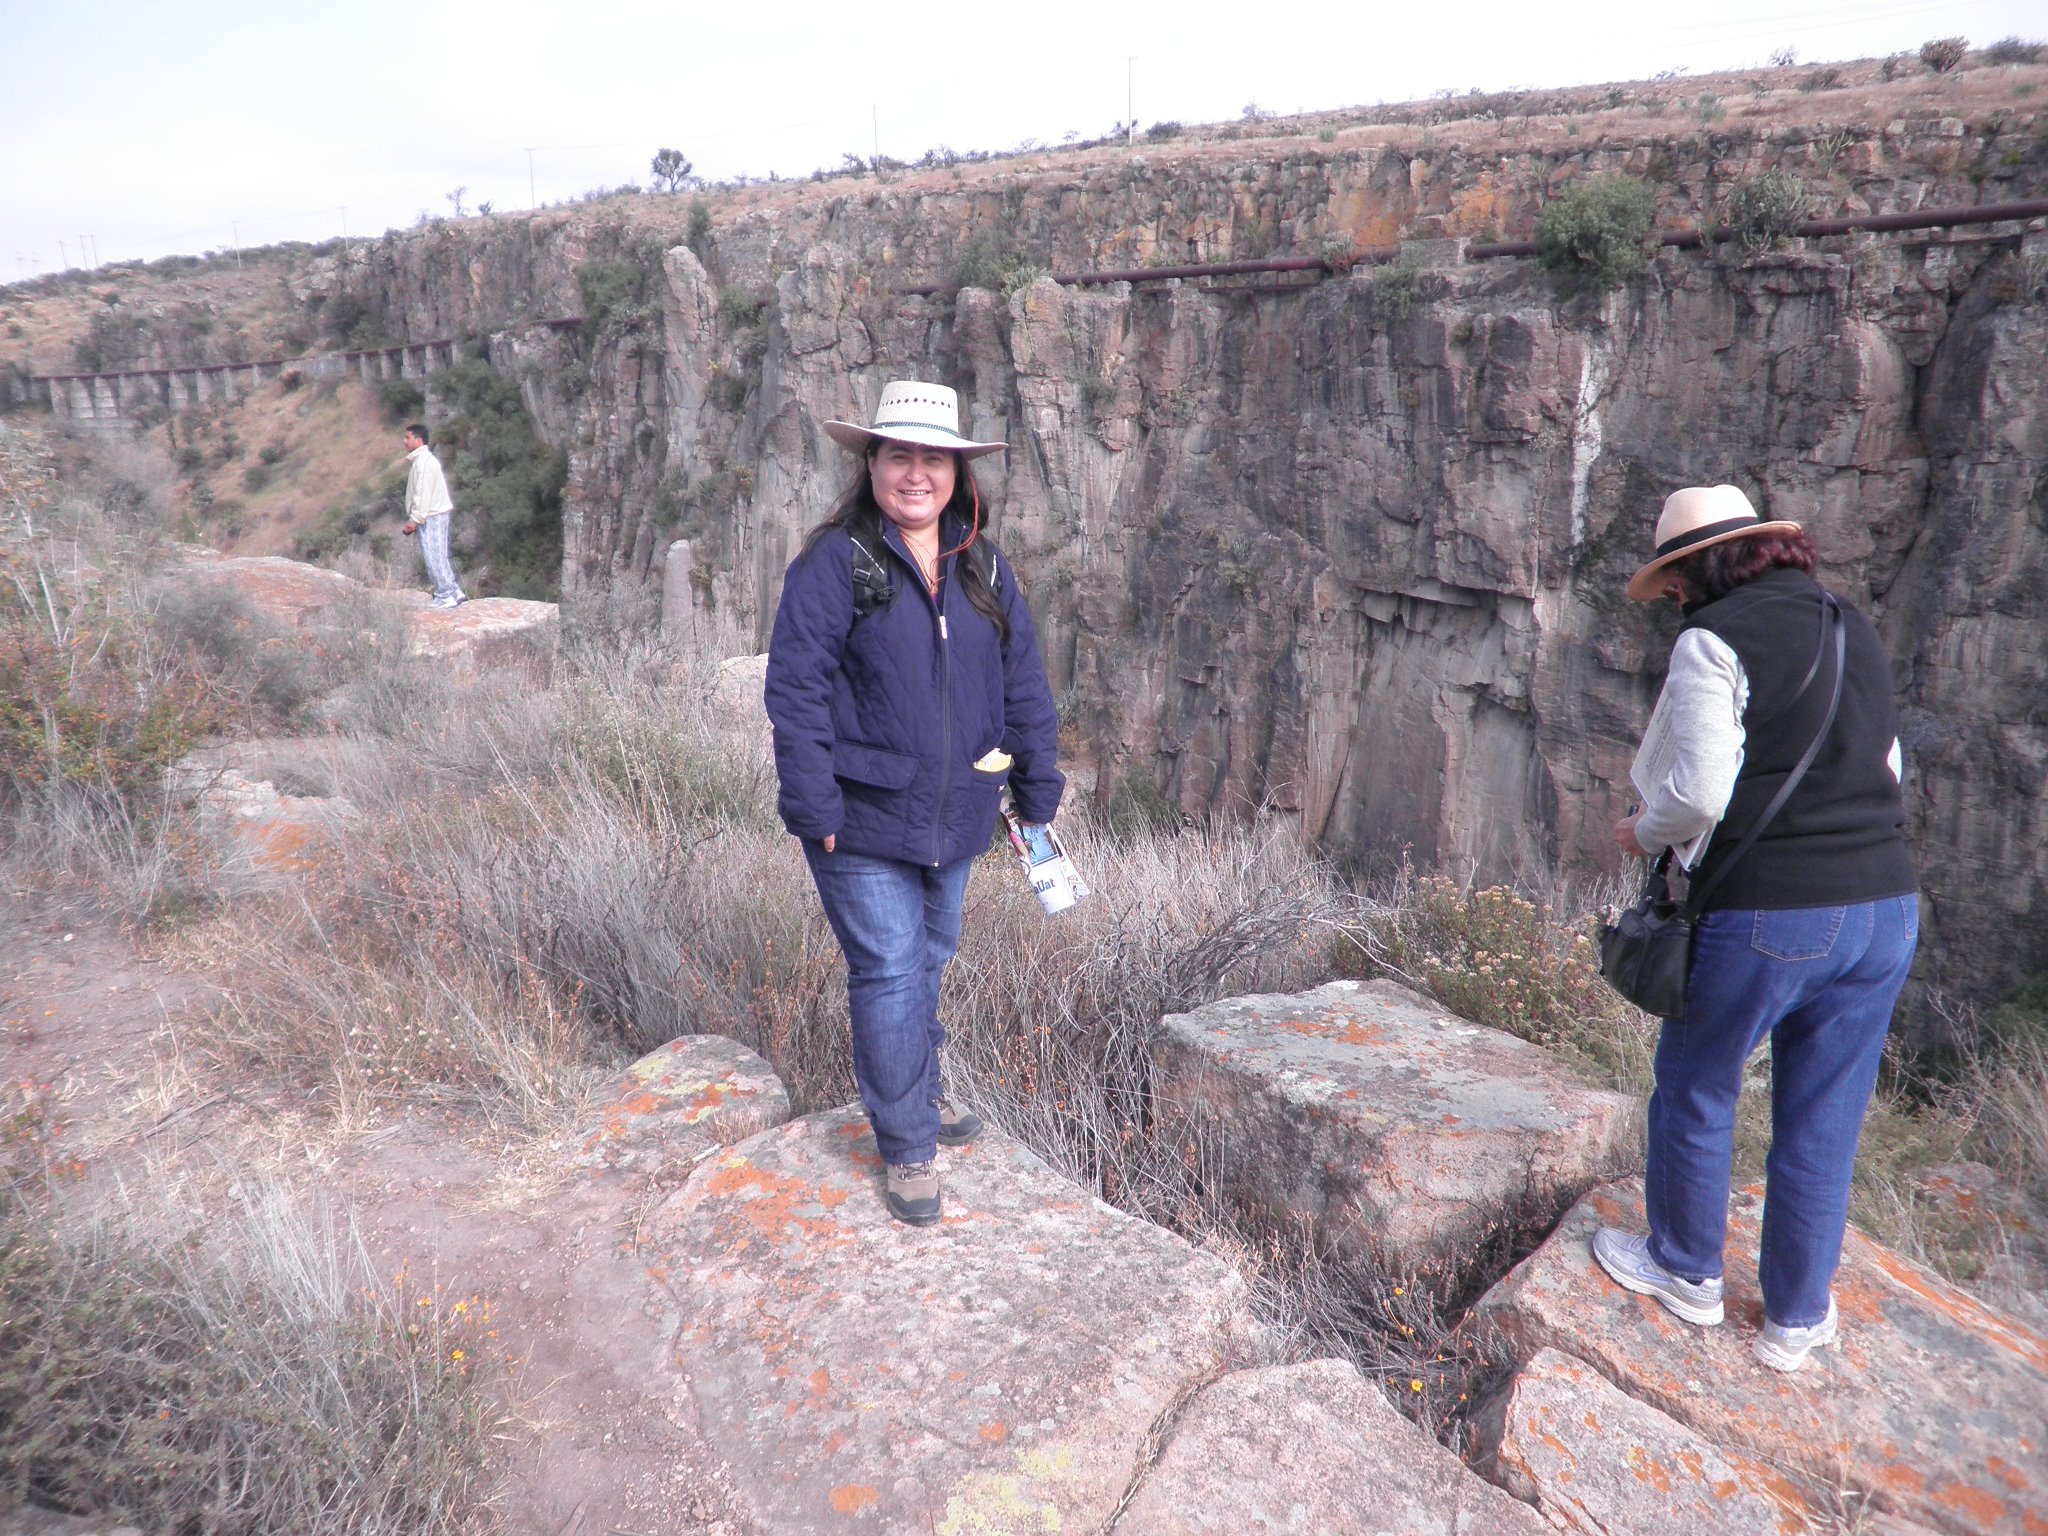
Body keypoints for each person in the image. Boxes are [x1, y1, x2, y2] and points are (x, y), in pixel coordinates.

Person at [1594, 484, 1919, 1371]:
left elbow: (1698, 790)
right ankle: (1797, 1318)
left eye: (1673, 584)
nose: (1672, 601)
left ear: (1696, 572)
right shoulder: (1853, 624)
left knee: (1698, 1084)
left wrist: (1643, 831)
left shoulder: (1714, 640)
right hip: (1887, 908)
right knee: (1823, 1117)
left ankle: (1685, 1269)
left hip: (1776, 911)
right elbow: (1888, 764)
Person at [764, 380, 1064, 1227]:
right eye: (902, 455)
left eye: (934, 457)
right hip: (859, 819)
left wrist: (1037, 786)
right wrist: (812, 803)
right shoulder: (839, 561)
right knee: (891, 970)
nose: (917, 473)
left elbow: (1024, 687)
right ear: (873, 464)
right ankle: (906, 1148)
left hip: (961, 812)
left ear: (958, 471)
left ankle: (919, 1093)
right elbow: (797, 690)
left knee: (930, 956)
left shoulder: (986, 567)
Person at [400, 422, 466, 609]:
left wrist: (415, 520)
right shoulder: (424, 461)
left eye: (408, 437)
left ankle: (445, 594)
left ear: (419, 440)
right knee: (439, 555)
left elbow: (422, 495)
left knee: (433, 556)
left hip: (431, 516)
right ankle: (453, 590)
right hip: (435, 514)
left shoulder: (424, 463)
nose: (404, 441)